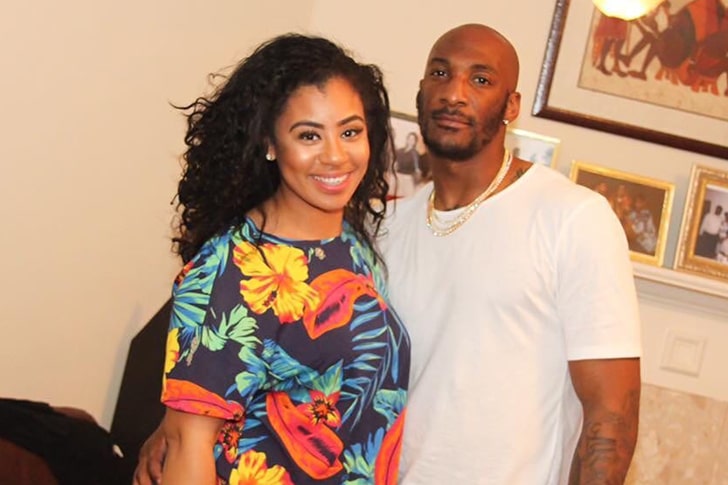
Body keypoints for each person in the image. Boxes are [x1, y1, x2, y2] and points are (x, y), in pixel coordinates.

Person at [136, 24, 641, 485]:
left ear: (512, 105)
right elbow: (214, 393)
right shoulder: (384, 229)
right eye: (440, 73)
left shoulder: (570, 217)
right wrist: (183, 426)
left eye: (481, 79)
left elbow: (612, 415)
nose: (454, 92)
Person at [137, 34, 411, 485]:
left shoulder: (350, 243)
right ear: (269, 143)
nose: (335, 155)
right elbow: (188, 444)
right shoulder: (232, 267)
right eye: (309, 135)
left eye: (350, 132)